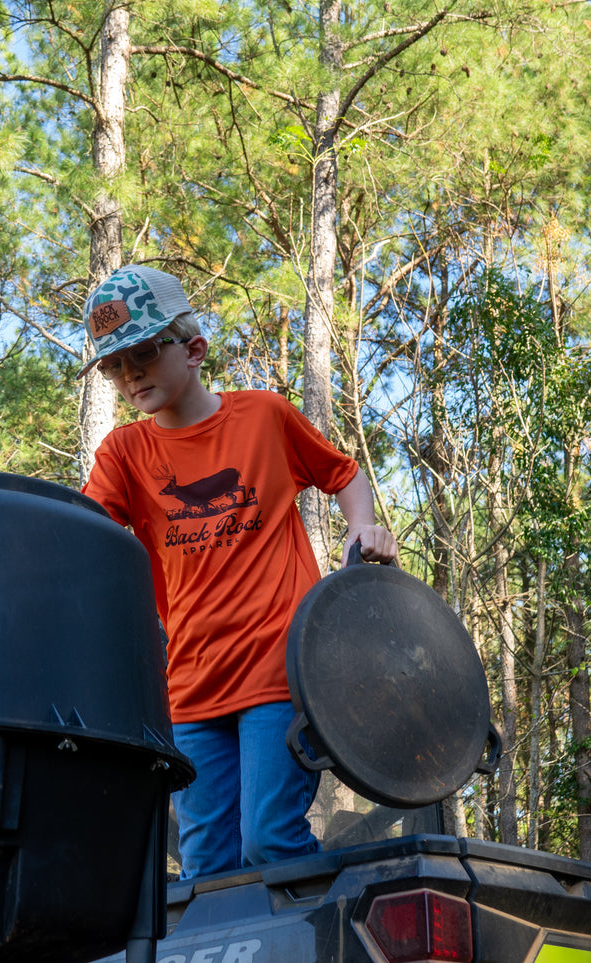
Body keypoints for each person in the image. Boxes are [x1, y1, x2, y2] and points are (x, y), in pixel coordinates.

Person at [79, 264, 398, 879]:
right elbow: (82, 532)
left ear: (194, 349)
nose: (129, 375)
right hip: (192, 686)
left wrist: (362, 529)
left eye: (142, 353)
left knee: (269, 842)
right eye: (113, 366)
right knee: (205, 865)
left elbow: (344, 475)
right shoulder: (125, 454)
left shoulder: (263, 417)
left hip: (281, 672)